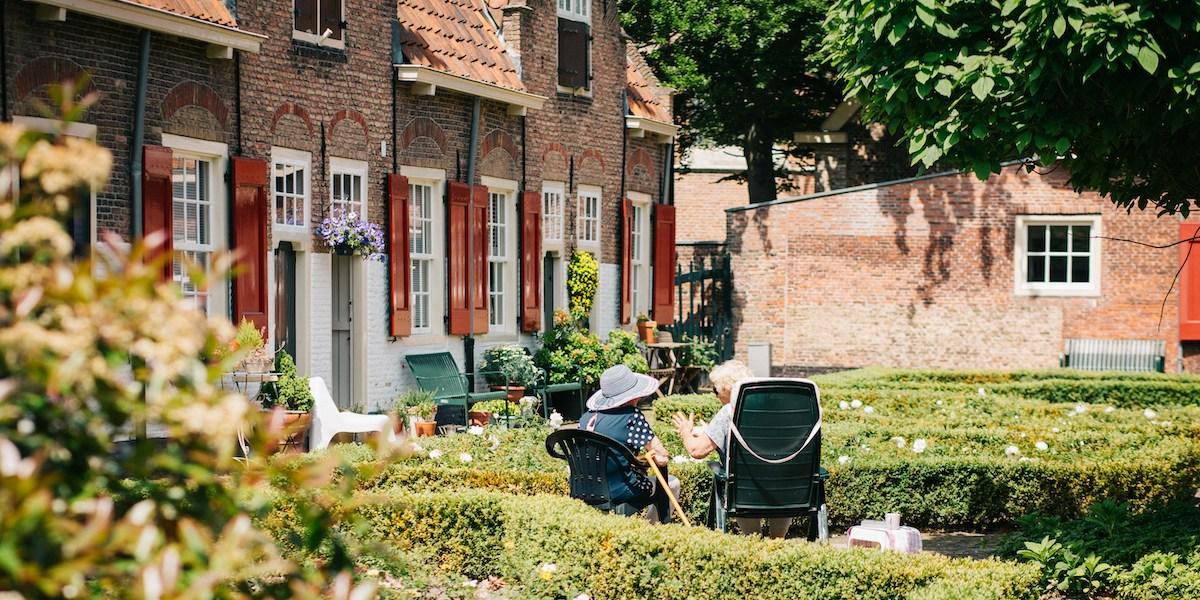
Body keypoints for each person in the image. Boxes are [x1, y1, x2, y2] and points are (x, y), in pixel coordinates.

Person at [672, 360, 791, 538]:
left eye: (715, 390)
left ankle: (755, 542)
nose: (714, 395)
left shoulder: (729, 411)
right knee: (776, 539)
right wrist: (711, 431)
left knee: (754, 539)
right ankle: (777, 541)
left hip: (746, 491)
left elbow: (696, 451)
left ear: (728, 389)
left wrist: (685, 432)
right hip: (785, 490)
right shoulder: (779, 410)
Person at [579, 364, 681, 524]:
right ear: (633, 395)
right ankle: (651, 529)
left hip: (583, 488)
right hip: (619, 490)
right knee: (673, 483)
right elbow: (661, 455)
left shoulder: (585, 418)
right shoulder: (631, 417)